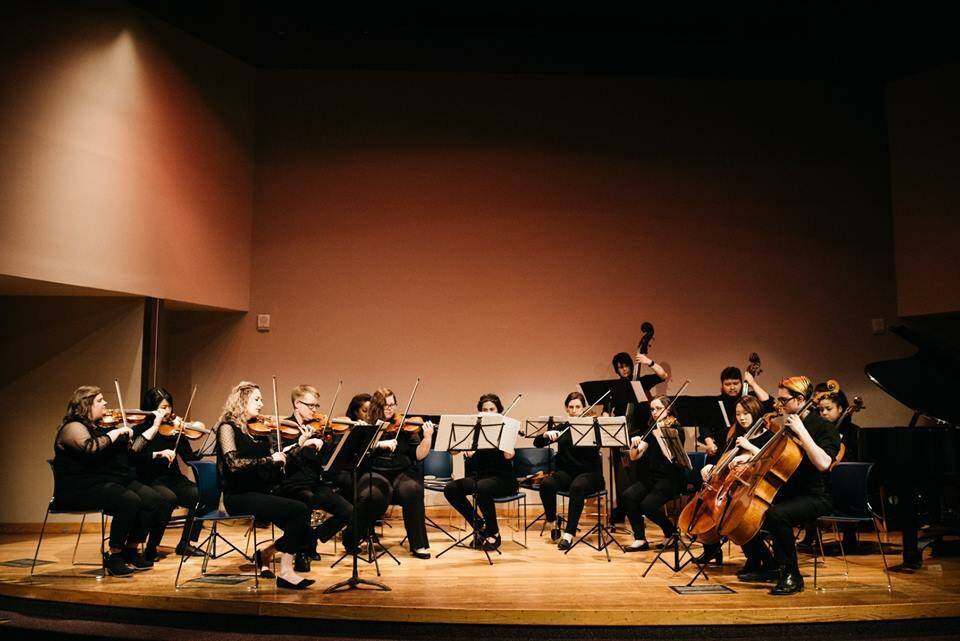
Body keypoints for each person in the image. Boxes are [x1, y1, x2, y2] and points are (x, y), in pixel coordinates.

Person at [735, 376, 840, 595]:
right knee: (744, 507)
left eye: (784, 400)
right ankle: (767, 562)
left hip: (816, 496)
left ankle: (792, 574)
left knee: (776, 514)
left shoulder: (823, 427)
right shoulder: (787, 425)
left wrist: (802, 431)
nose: (779, 405)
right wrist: (751, 458)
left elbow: (823, 464)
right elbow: (774, 460)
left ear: (800, 399)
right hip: (791, 490)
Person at [215, 381, 323, 589]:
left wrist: (299, 445)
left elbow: (275, 463)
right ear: (242, 400)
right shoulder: (227, 428)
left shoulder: (258, 432)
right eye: (257, 399)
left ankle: (267, 554)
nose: (262, 404)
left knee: (305, 527)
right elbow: (234, 464)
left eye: (261, 399)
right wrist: (269, 460)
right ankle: (286, 573)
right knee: (299, 511)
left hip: (261, 491)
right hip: (238, 496)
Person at [52, 386, 166, 576]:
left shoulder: (100, 428)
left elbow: (133, 453)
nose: (105, 403)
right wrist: (114, 435)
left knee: (153, 499)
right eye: (99, 400)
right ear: (85, 405)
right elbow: (90, 448)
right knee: (129, 500)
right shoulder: (73, 428)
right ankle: (114, 556)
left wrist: (140, 433)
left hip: (105, 482)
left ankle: (131, 549)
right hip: (78, 489)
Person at [273, 384, 354, 572]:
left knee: (347, 510)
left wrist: (328, 442)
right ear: (297, 404)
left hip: (314, 483)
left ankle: (311, 538)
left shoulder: (319, 428)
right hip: (291, 485)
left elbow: (327, 460)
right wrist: (301, 445)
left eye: (317, 406)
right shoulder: (283, 428)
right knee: (306, 501)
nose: (315, 410)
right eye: (311, 406)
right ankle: (302, 552)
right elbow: (281, 461)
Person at [129, 386, 209, 560]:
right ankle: (152, 546)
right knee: (167, 498)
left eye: (169, 407)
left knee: (200, 495)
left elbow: (188, 458)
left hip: (172, 478)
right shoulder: (140, 430)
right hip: (149, 479)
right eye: (162, 407)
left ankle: (186, 543)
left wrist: (202, 449)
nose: (167, 411)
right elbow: (136, 457)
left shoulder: (175, 430)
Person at [693, 395, 772, 565]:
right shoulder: (736, 434)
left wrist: (749, 447)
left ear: (756, 412)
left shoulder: (769, 436)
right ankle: (711, 548)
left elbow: (770, 461)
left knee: (735, 518)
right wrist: (711, 467)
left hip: (756, 491)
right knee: (707, 505)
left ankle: (759, 559)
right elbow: (723, 457)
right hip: (734, 488)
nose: (742, 418)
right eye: (738, 414)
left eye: (746, 413)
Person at [357, 387, 434, 559]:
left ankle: (419, 544)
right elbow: (358, 455)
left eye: (392, 404)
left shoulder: (405, 427)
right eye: (385, 405)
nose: (390, 408)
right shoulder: (368, 426)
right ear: (376, 407)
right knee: (372, 495)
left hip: (401, 473)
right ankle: (358, 537)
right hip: (374, 472)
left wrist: (427, 437)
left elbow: (418, 455)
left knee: (413, 489)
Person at [443, 393, 519, 551]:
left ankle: (494, 533)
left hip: (504, 479)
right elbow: (453, 451)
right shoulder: (475, 430)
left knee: (482, 487)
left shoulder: (506, 428)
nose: (488, 412)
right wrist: (463, 446)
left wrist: (508, 440)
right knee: (451, 488)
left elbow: (508, 455)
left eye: (492, 409)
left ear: (499, 411)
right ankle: (478, 524)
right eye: (485, 410)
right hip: (481, 478)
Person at [534, 392, 604, 550]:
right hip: (568, 474)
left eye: (578, 407)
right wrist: (546, 434)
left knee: (577, 487)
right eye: (571, 407)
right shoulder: (563, 428)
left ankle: (569, 534)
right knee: (546, 484)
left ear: (583, 408)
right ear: (566, 409)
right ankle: (552, 523)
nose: (574, 410)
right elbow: (537, 443)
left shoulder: (592, 427)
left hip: (590, 475)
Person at [609, 350, 668, 525]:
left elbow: (663, 375)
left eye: (626, 365)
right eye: (620, 367)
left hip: (640, 432)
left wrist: (648, 361)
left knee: (639, 473)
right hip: (621, 434)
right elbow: (609, 407)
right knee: (619, 475)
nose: (624, 370)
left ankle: (639, 508)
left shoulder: (641, 382)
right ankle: (621, 508)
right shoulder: (615, 387)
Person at [621, 395, 686, 552]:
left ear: (668, 409)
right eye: (652, 409)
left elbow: (672, 456)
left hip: (671, 478)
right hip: (653, 478)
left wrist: (660, 432)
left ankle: (671, 532)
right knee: (628, 496)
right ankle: (640, 539)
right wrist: (635, 444)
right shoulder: (651, 429)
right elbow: (634, 456)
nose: (654, 412)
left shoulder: (675, 429)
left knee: (647, 505)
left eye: (658, 408)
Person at [702, 366, 771, 462]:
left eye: (735, 383)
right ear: (722, 385)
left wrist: (752, 383)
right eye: (727, 384)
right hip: (721, 450)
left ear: (741, 383)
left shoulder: (749, 398)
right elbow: (705, 425)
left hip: (747, 448)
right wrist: (709, 443)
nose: (732, 387)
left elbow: (769, 404)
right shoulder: (715, 403)